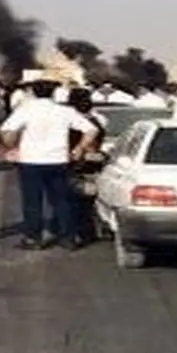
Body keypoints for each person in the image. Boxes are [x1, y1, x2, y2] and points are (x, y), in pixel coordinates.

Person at [0, 79, 99, 251]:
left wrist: (12, 146)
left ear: (33, 92)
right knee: (61, 201)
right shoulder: (65, 111)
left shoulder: (25, 110)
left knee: (32, 202)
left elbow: (6, 131)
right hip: (58, 160)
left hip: (31, 160)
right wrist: (79, 148)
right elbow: (91, 130)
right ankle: (68, 238)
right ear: (53, 93)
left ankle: (33, 238)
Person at [66, 88, 107, 244]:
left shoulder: (67, 119)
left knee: (71, 199)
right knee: (90, 199)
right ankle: (91, 230)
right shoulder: (99, 119)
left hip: (72, 161)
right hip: (93, 161)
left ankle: (75, 232)